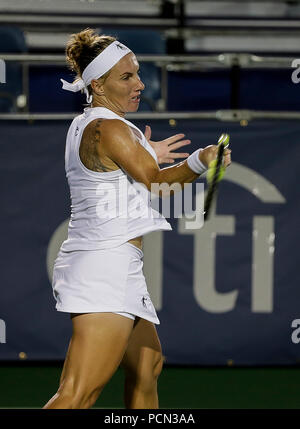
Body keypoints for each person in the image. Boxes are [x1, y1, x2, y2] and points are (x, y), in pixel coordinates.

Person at [44, 28, 231, 410]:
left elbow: (121, 164)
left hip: (114, 264)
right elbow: (157, 185)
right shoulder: (110, 128)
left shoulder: (92, 123)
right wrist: (200, 160)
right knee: (78, 394)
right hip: (103, 267)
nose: (140, 84)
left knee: (147, 366)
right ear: (97, 84)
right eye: (126, 77)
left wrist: (145, 149)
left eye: (138, 73)